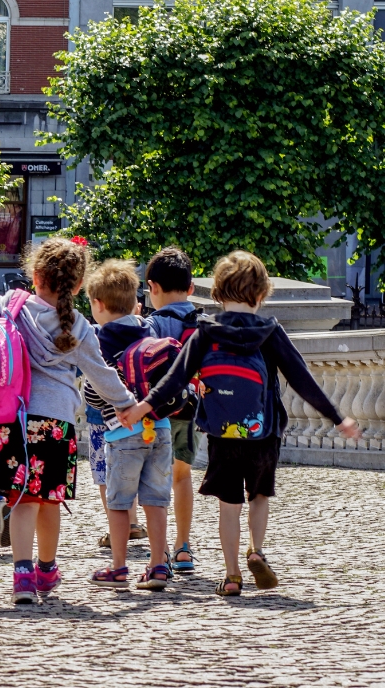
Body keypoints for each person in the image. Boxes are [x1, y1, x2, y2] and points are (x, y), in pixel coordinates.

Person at [119, 250, 360, 597]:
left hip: (222, 432)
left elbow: (174, 379)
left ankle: (232, 576)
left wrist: (142, 407)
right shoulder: (270, 331)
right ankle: (257, 550)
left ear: (216, 293)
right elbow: (302, 379)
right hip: (264, 431)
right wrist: (339, 418)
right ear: (262, 294)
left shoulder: (206, 331)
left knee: (228, 505)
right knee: (259, 495)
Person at [0, 238, 138, 604]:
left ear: (35, 275)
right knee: (49, 501)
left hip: (13, 418)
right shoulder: (79, 326)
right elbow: (101, 375)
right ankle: (46, 568)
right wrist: (128, 404)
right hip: (56, 424)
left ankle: (21, 576)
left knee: (21, 500)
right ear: (77, 285)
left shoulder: (12, 304)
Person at [81, 259, 174, 591]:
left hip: (124, 434)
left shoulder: (103, 340)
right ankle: (158, 565)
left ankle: (119, 567)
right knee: (156, 500)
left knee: (120, 502)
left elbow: (95, 391)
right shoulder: (149, 329)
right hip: (160, 428)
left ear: (98, 304)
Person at [144, 246, 201, 573]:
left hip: (157, 413)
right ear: (191, 288)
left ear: (152, 287)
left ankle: (160, 549)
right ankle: (183, 546)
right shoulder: (200, 321)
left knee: (154, 480)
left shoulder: (152, 325)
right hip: (190, 409)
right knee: (182, 477)